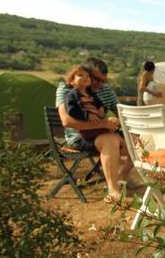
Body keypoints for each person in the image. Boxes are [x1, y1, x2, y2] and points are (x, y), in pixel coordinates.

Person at [56, 57, 133, 201]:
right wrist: (103, 124)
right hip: (79, 137)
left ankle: (121, 178)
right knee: (110, 140)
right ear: (86, 73)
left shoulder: (104, 89)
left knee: (138, 144)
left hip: (101, 133)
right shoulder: (67, 88)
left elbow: (121, 113)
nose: (100, 84)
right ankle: (113, 190)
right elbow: (67, 121)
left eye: (104, 81)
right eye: (97, 79)